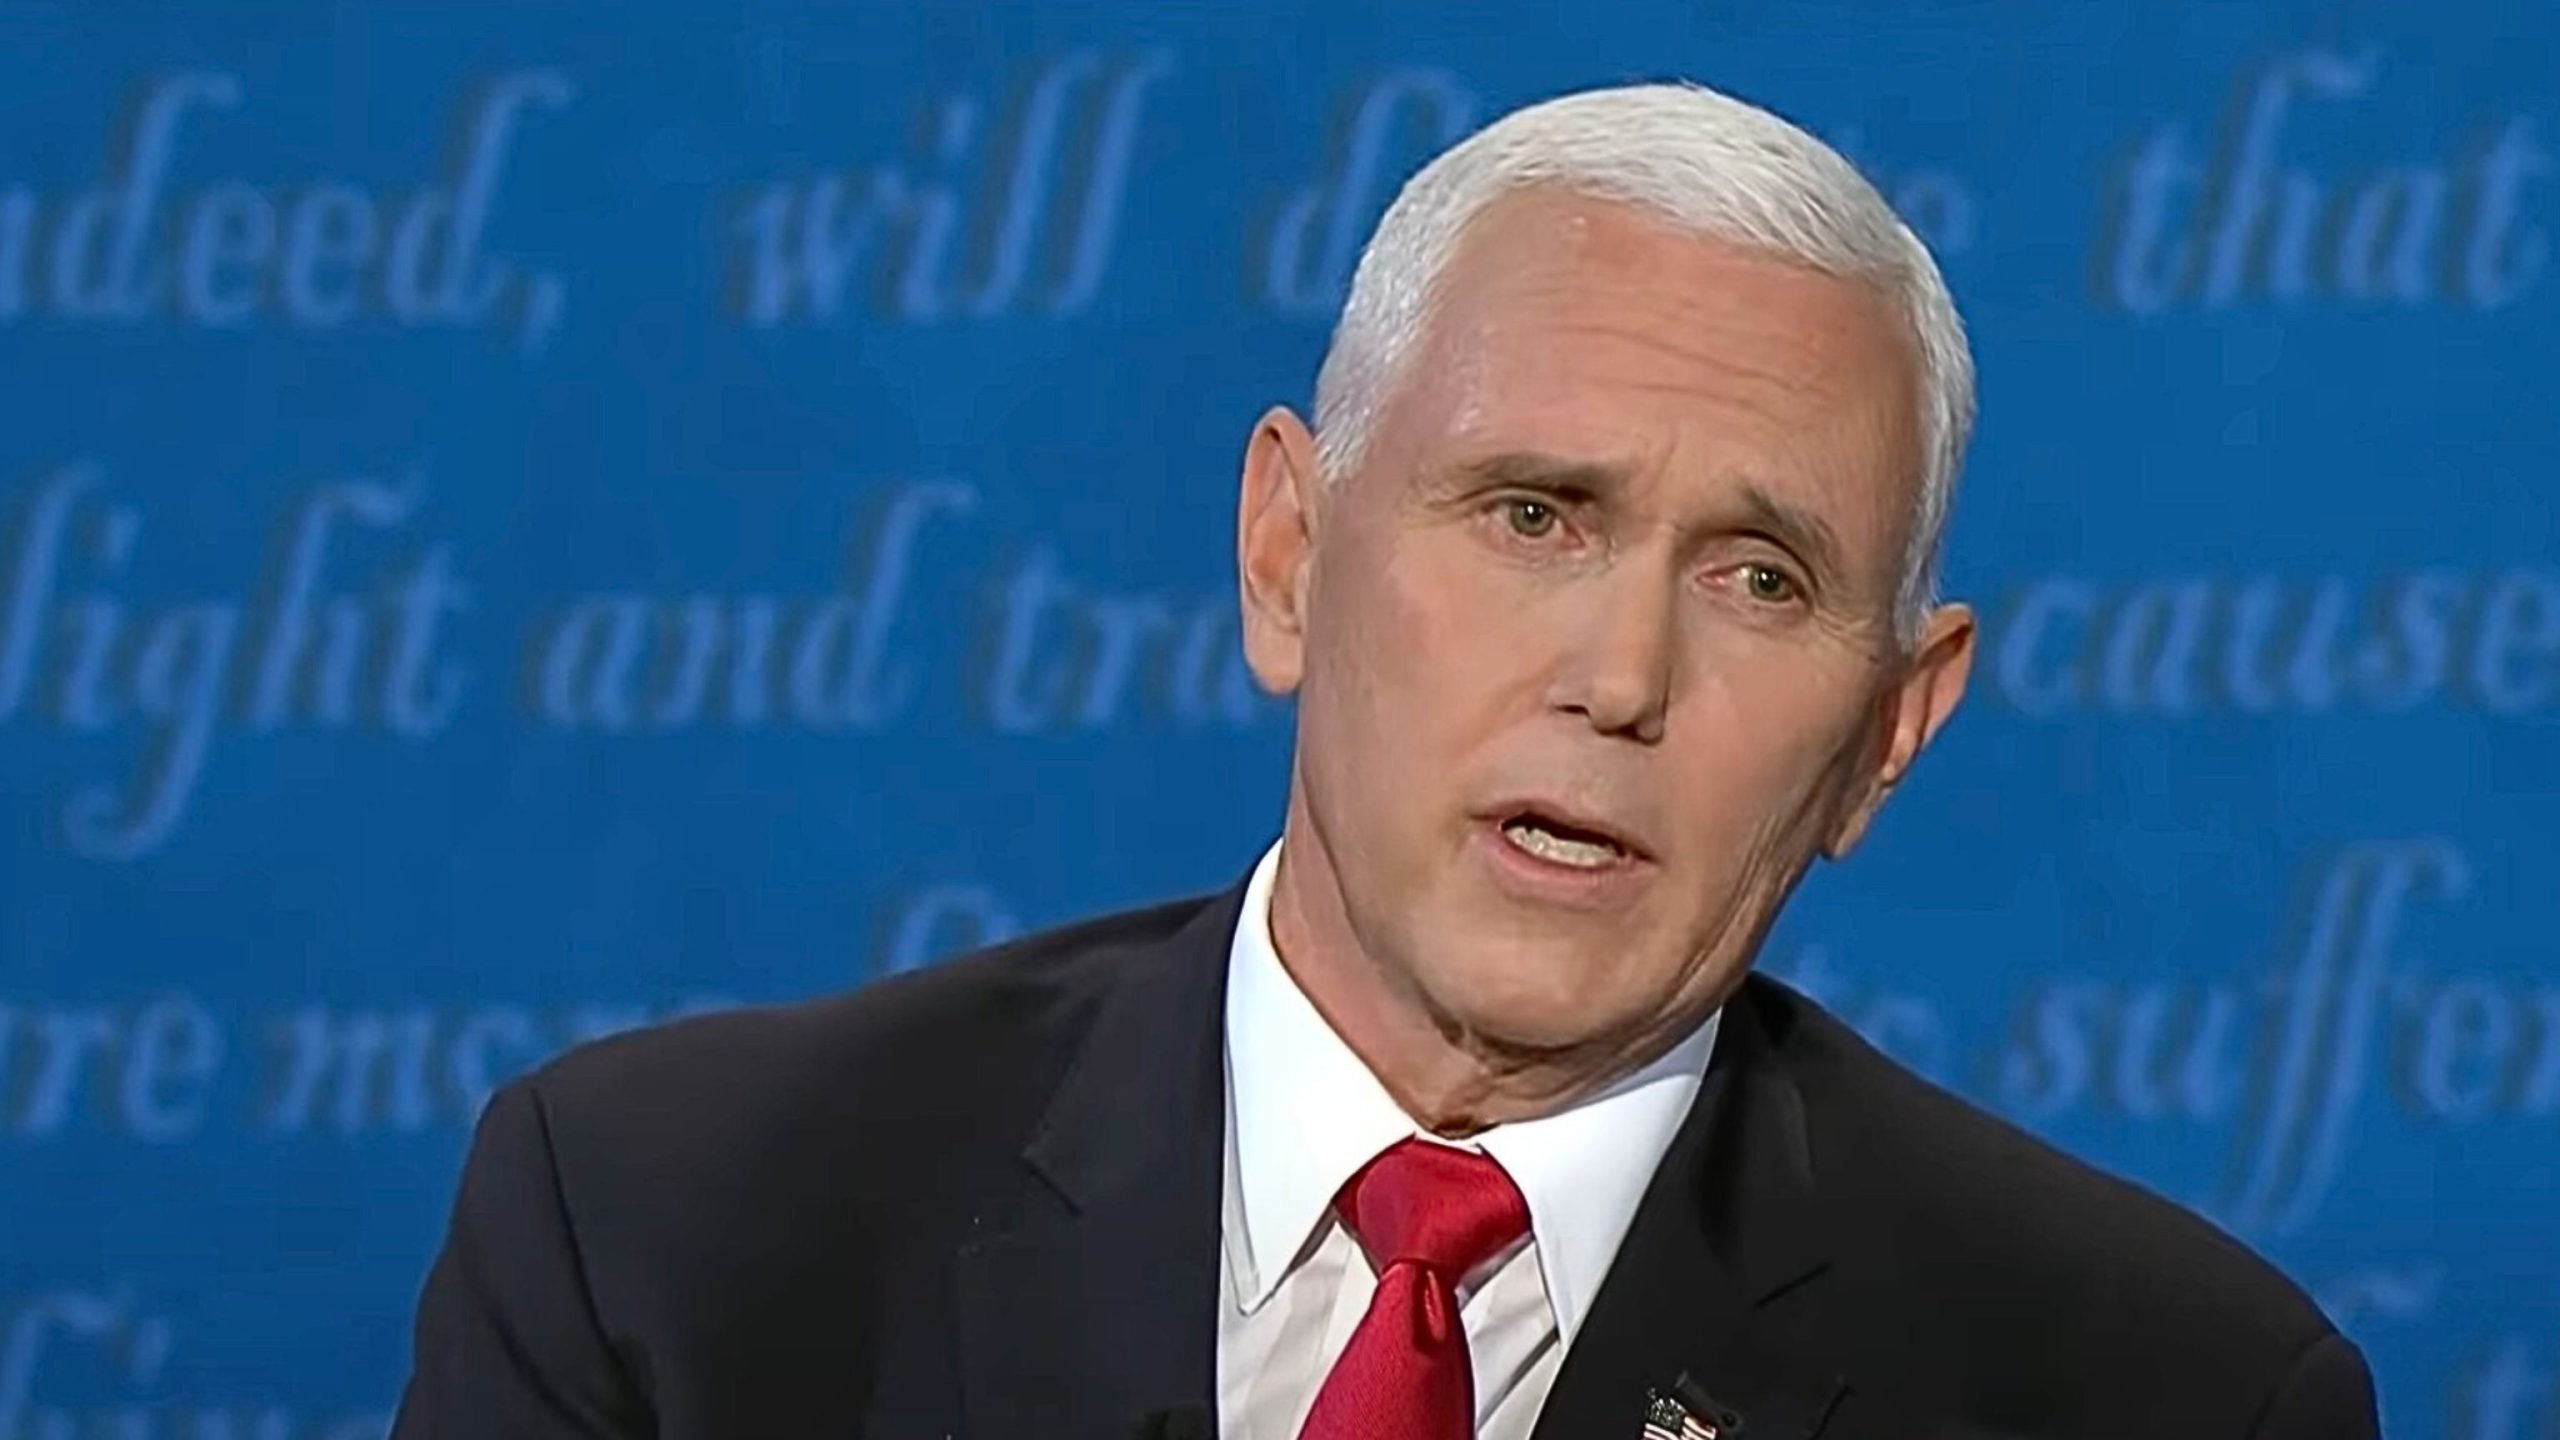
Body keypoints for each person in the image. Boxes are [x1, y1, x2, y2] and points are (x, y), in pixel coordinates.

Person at [389, 81, 2381, 1440]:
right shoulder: (665, 1235)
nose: (1619, 675)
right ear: (1286, 553)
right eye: (1533, 514)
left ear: (1885, 733)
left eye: (1761, 578)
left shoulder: (2163, 1395)